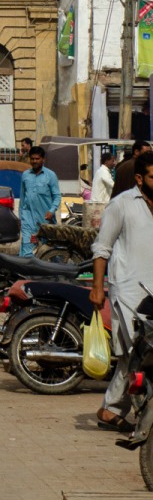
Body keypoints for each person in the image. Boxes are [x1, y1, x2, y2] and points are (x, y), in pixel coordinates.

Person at [90, 150, 153, 428]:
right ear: (140, 178)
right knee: (133, 353)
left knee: (139, 355)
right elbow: (101, 249)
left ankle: (110, 409)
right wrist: (97, 287)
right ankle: (129, 412)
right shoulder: (121, 204)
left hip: (152, 295)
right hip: (127, 291)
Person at [18, 144, 61, 255]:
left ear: (43, 159)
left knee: (48, 253)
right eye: (32, 159)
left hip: (45, 221)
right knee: (28, 251)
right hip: (28, 219)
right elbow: (23, 199)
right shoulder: (25, 175)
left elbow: (57, 196)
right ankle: (27, 271)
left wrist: (52, 211)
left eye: (37, 159)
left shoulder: (50, 175)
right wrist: (21, 218)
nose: (34, 161)